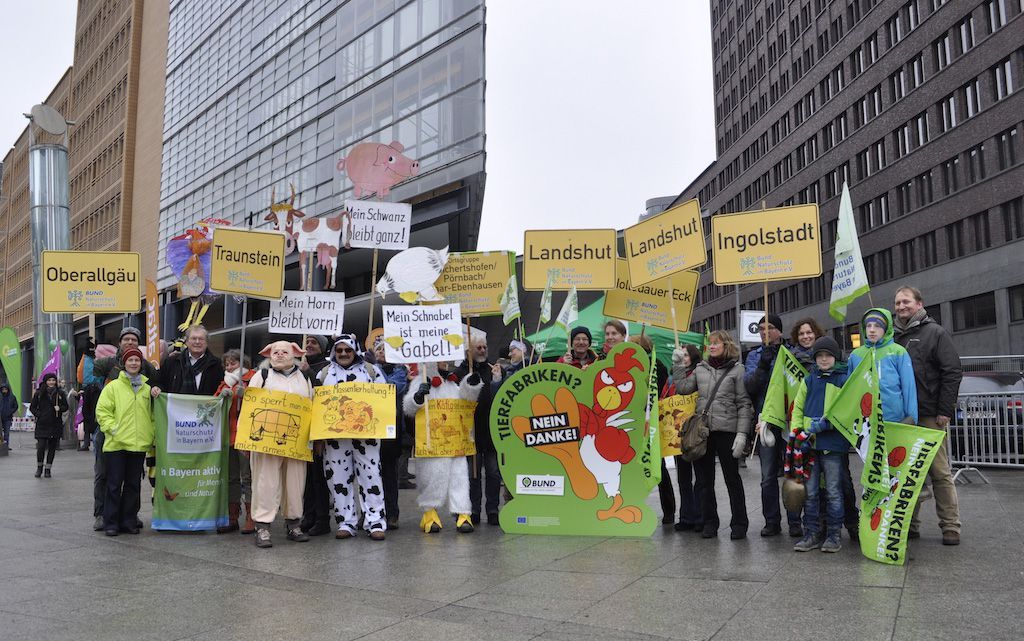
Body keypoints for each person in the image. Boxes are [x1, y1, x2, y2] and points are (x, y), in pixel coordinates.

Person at [893, 285, 963, 545]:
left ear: (919, 304)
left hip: (929, 415)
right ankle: (909, 524)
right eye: (898, 303)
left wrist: (945, 410)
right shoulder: (891, 337)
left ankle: (950, 526)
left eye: (906, 302)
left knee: (939, 472)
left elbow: (952, 371)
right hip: (901, 417)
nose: (901, 307)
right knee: (907, 474)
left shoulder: (935, 333)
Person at [673, 330, 752, 539]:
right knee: (704, 480)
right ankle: (710, 522)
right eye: (710, 344)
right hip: (704, 431)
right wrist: (679, 365)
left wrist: (742, 434)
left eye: (716, 343)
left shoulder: (737, 370)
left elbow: (744, 404)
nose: (712, 347)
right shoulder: (700, 368)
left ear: (726, 345)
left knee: (732, 479)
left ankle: (739, 523)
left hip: (727, 431)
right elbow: (682, 388)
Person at [315, 334, 389, 540]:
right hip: (335, 439)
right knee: (337, 478)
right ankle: (346, 521)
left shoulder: (371, 371)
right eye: (339, 351)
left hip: (367, 437)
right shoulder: (324, 374)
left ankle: (375, 522)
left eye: (347, 350)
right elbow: (315, 405)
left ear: (355, 350)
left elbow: (385, 399)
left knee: (372, 476)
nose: (343, 354)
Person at [90, 327, 161, 531]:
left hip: (138, 441)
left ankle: (129, 519)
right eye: (126, 339)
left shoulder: (147, 381)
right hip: (115, 439)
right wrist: (113, 429)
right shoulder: (111, 377)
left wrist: (151, 432)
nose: (133, 362)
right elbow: (101, 408)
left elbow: (154, 409)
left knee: (133, 484)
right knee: (109, 480)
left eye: (134, 340)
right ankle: (106, 518)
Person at [247, 341, 313, 548]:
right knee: (266, 481)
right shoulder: (261, 376)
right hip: (266, 441)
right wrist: (247, 440)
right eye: (275, 352)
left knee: (295, 483)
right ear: (269, 354)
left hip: (295, 440)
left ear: (295, 353)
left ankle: (294, 523)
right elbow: (250, 408)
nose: (280, 355)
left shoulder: (305, 378)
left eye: (285, 352)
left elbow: (311, 407)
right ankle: (263, 526)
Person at [404, 361, 482, 534]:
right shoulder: (421, 380)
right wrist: (417, 397)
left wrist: (471, 385)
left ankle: (463, 513)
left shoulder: (453, 382)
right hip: (432, 442)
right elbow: (408, 408)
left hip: (456, 441)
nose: (444, 361)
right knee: (433, 477)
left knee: (459, 477)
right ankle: (430, 513)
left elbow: (466, 401)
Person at [791, 337, 850, 553]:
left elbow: (845, 410)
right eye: (819, 356)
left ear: (835, 357)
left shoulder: (844, 379)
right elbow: (797, 408)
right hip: (809, 444)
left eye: (828, 355)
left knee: (834, 491)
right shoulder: (809, 380)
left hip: (833, 445)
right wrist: (798, 432)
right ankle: (812, 533)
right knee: (811, 492)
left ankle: (834, 534)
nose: (824, 359)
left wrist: (825, 425)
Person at [744, 314, 801, 537]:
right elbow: (750, 385)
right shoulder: (754, 356)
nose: (764, 332)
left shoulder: (791, 352)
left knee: (792, 473)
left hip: (788, 419)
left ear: (779, 330)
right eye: (760, 329)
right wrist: (762, 364)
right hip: (765, 420)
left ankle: (795, 521)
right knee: (767, 475)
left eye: (769, 328)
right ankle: (771, 521)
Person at [456, 336, 500, 526]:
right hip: (470, 431)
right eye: (478, 347)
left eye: (484, 346)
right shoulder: (460, 372)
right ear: (469, 352)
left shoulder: (494, 370)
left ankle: (492, 509)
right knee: (472, 474)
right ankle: (473, 510)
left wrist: (498, 380)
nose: (482, 350)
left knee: (493, 473)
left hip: (491, 431)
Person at [847, 308, 918, 425]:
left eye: (877, 326)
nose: (872, 330)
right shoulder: (855, 355)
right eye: (868, 326)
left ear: (886, 329)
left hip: (895, 420)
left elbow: (909, 387)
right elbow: (850, 390)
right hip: (865, 421)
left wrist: (911, 417)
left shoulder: (898, 352)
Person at [370, 337, 409, 530]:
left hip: (390, 430)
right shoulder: (366, 370)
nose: (381, 352)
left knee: (389, 474)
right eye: (378, 350)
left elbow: (391, 389)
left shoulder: (399, 371)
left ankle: (392, 513)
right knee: (369, 474)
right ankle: (371, 512)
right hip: (371, 428)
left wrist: (374, 371)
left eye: (385, 350)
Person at [215, 350, 255, 534]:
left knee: (247, 477)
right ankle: (232, 516)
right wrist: (220, 397)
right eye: (227, 364)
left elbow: (262, 399)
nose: (230, 367)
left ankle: (251, 516)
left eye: (233, 363)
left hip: (246, 435)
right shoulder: (224, 383)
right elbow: (213, 406)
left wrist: (246, 393)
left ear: (242, 362)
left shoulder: (253, 378)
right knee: (232, 478)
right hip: (229, 437)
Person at [299, 335, 333, 537]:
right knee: (305, 478)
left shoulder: (327, 368)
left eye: (314, 342)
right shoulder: (294, 367)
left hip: (319, 429)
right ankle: (308, 515)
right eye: (307, 341)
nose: (309, 345)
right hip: (301, 428)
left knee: (318, 477)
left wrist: (309, 373)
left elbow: (325, 395)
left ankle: (322, 519)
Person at [668, 344, 703, 532]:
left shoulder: (699, 374)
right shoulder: (671, 378)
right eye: (681, 355)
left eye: (686, 355)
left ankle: (699, 515)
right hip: (677, 433)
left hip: (694, 431)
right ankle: (686, 516)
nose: (684, 357)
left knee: (699, 476)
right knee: (683, 478)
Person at [159, 325, 224, 396]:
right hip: (177, 406)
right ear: (186, 342)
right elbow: (159, 383)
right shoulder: (171, 362)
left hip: (204, 406)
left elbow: (221, 389)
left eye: (201, 339)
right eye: (194, 338)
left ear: (207, 343)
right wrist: (156, 387)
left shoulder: (217, 365)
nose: (197, 342)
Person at [29, 373, 68, 478]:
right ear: (46, 381)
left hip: (55, 424)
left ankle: (48, 469)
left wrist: (60, 408)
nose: (51, 382)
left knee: (52, 447)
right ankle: (39, 467)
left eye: (53, 380)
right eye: (49, 380)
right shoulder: (39, 393)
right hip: (42, 424)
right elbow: (32, 407)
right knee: (41, 446)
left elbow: (66, 406)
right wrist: (39, 415)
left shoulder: (60, 393)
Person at [0, 382, 17, 448]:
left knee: (6, 433)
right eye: (3, 389)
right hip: (0, 417)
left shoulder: (12, 397)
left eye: (5, 389)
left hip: (8, 418)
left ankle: (6, 446)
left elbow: (15, 406)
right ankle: (1, 445)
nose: (4, 391)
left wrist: (11, 411)